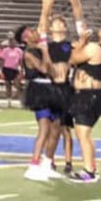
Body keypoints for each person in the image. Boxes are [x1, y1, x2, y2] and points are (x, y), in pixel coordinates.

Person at [67, 24, 101, 183]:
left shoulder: (95, 48)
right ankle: (92, 167)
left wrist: (81, 41)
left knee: (83, 134)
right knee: (84, 133)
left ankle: (89, 171)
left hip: (88, 96)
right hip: (91, 95)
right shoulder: (99, 49)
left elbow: (72, 59)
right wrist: (81, 44)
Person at [16, 25, 62, 182]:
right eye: (31, 31)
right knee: (44, 128)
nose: (35, 32)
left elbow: (52, 71)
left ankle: (47, 164)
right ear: (25, 38)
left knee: (56, 128)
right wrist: (46, 52)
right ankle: (33, 165)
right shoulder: (29, 52)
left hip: (51, 88)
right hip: (39, 91)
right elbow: (43, 68)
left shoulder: (40, 49)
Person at [45, 16, 75, 175]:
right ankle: (49, 160)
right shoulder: (46, 47)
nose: (58, 25)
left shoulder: (69, 46)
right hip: (50, 88)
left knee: (65, 128)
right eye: (55, 23)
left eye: (61, 23)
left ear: (65, 28)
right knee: (50, 128)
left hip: (65, 89)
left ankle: (68, 162)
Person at [0, 36, 24, 108]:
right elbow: (2, 60)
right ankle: (9, 101)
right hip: (6, 68)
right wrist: (1, 69)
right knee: (8, 84)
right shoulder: (5, 50)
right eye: (10, 42)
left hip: (15, 69)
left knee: (17, 84)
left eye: (13, 41)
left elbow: (21, 61)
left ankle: (21, 100)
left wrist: (21, 69)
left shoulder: (19, 51)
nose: (11, 43)